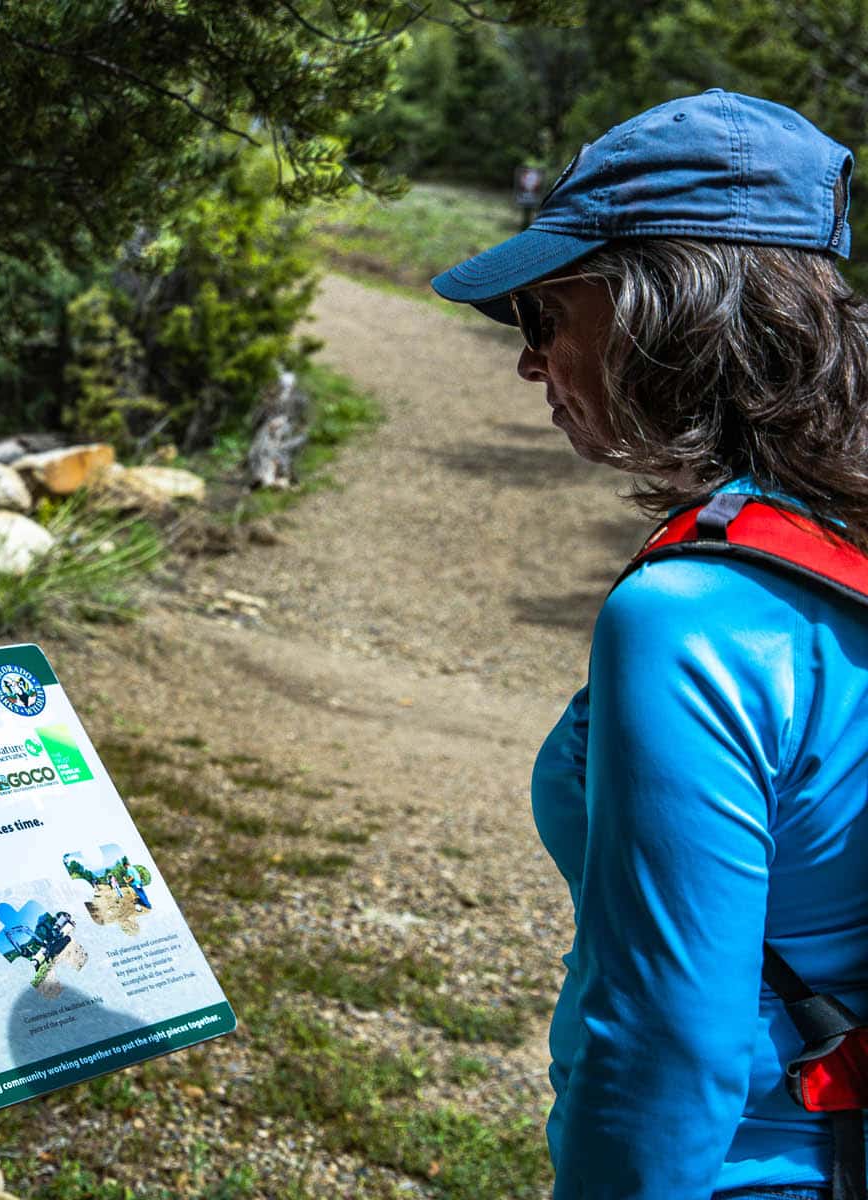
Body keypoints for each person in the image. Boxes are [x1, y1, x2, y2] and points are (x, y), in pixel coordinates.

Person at [432, 89, 868, 1199]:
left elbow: (666, 1051)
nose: (532, 363)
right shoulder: (845, 536)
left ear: (653, 312)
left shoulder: (686, 622)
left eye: (542, 316)